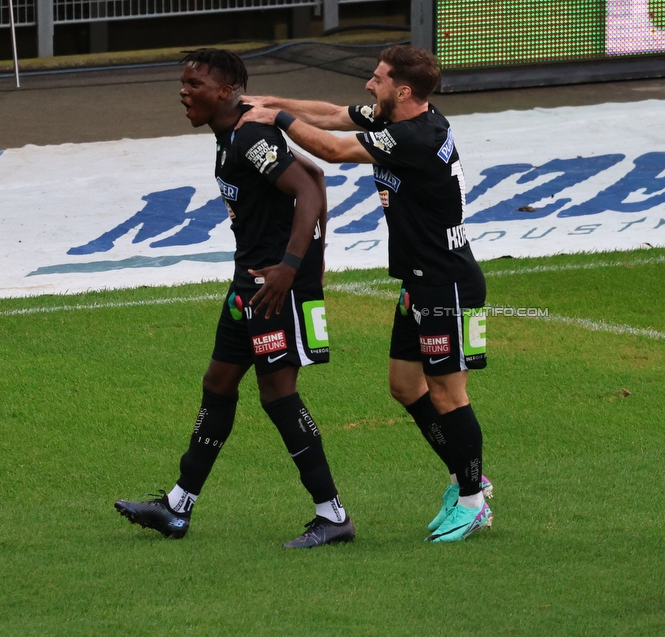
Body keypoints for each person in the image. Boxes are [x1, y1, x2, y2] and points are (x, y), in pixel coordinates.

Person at [237, 45, 493, 543]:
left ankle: (472, 498)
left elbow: (333, 150)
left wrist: (279, 117)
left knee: (448, 394)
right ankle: (468, 475)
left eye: (376, 79)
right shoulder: (394, 116)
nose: (367, 87)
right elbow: (333, 116)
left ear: (403, 91)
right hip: (419, 283)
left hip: (448, 285)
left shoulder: (415, 136)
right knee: (405, 386)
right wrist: (267, 100)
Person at [115, 48, 355, 549]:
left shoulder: (249, 135)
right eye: (183, 83)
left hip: (272, 285)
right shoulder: (230, 136)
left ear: (226, 91)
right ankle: (177, 507)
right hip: (249, 283)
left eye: (194, 84)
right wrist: (316, 255)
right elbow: (314, 177)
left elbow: (307, 193)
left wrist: (294, 269)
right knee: (218, 383)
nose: (183, 91)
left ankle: (333, 515)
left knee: (278, 395)